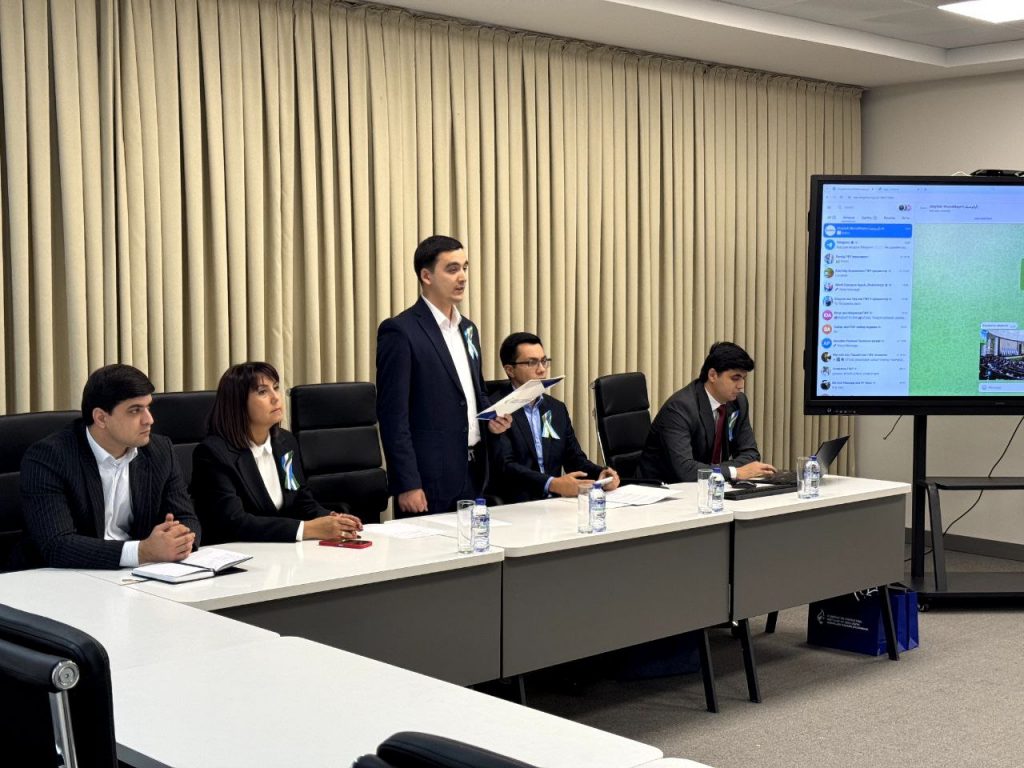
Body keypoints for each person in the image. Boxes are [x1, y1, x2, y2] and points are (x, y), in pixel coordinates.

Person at [376, 235, 512, 517]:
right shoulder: (400, 331)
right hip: (428, 479)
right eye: (452, 269)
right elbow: (393, 415)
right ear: (426, 276)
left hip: (474, 471)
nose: (462, 277)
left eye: (465, 267)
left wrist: (492, 418)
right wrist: (408, 483)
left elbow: (475, 392)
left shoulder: (469, 329)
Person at [20, 364, 201, 569]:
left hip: (141, 574)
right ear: (101, 418)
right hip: (63, 577)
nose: (149, 420)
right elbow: (57, 545)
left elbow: (186, 517)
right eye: (135, 410)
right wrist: (142, 552)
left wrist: (178, 541)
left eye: (148, 407)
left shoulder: (159, 451)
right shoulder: (49, 458)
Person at [190, 362, 363, 544]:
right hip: (239, 554)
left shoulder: (285, 443)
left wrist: (332, 519)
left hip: (282, 552)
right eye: (262, 392)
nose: (275, 398)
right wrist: (307, 529)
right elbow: (234, 522)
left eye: (276, 388)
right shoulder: (213, 454)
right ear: (237, 403)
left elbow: (299, 499)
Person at [489, 332, 619, 503]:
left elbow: (574, 459)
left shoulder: (555, 408)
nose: (542, 369)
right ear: (510, 370)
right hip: (515, 505)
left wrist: (601, 474)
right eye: (532, 363)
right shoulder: (495, 411)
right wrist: (552, 484)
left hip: (555, 503)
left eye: (544, 361)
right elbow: (505, 467)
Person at [638, 341, 776, 482]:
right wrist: (734, 472)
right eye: (735, 378)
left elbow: (751, 455)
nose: (741, 386)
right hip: (663, 488)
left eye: (743, 378)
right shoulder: (680, 408)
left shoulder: (738, 403)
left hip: (708, 486)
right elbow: (685, 470)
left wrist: (721, 471)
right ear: (712, 375)